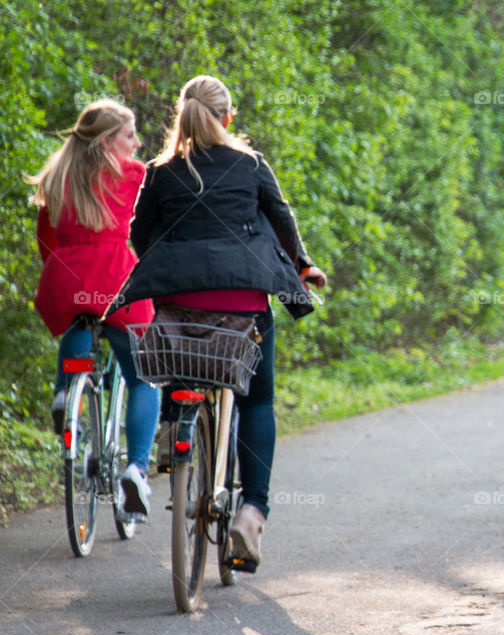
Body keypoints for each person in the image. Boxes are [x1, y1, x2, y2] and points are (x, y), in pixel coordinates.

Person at [107, 75, 326, 569]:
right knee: (258, 398)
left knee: (177, 354)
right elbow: (281, 216)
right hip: (243, 304)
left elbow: (139, 236)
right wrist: (304, 265)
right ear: (229, 117)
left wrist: (179, 266)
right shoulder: (249, 164)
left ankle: (173, 431)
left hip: (180, 299)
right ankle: (252, 512)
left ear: (180, 116)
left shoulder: (161, 171)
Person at [30, 99, 160, 519]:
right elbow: (155, 224)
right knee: (144, 377)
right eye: (129, 135)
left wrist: (62, 268)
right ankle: (137, 470)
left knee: (78, 319)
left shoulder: (58, 176)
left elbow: (46, 239)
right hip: (116, 278)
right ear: (107, 142)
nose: (137, 144)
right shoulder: (134, 176)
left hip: (66, 275)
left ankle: (67, 393)